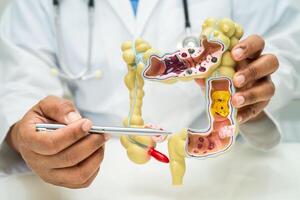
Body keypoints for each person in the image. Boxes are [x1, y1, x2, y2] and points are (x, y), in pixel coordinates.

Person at [0, 0, 299, 189]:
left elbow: (288, 38)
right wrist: (26, 133)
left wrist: (253, 84)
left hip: (221, 177)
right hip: (97, 173)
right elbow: (19, 74)